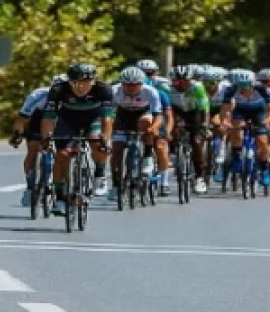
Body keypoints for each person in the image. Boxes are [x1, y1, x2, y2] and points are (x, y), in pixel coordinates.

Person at [40, 63, 114, 215]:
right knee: (62, 155)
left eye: (85, 83)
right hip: (67, 121)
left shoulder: (104, 89)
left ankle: (100, 173)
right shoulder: (58, 90)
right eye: (76, 83)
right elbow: (49, 117)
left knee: (98, 143)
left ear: (93, 81)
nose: (80, 87)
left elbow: (107, 118)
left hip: (93, 120)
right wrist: (46, 138)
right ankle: (60, 198)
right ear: (69, 81)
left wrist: (105, 138)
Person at [108, 67, 163, 201]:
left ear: (141, 83)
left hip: (143, 113)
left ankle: (148, 156)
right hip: (123, 116)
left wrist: (154, 128)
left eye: (135, 85)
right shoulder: (113, 91)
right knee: (116, 150)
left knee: (147, 125)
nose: (131, 88)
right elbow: (108, 116)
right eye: (127, 85)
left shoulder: (150, 92)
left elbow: (158, 116)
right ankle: (116, 185)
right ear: (122, 83)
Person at [10, 75, 66, 206]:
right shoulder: (38, 95)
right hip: (39, 117)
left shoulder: (72, 97)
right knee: (33, 147)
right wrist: (17, 134)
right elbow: (22, 117)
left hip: (63, 119)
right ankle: (30, 187)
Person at [218, 69, 270, 187]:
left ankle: (265, 170)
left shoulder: (262, 89)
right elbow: (224, 109)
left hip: (259, 112)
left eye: (246, 85)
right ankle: (236, 160)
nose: (244, 88)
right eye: (241, 85)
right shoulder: (231, 90)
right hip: (240, 111)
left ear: (252, 83)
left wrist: (267, 121)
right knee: (236, 133)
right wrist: (224, 121)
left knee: (262, 141)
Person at [166, 65, 211, 194]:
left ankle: (200, 177)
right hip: (176, 110)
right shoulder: (167, 88)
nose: (180, 84)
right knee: (170, 129)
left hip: (194, 112)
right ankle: (173, 154)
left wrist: (204, 125)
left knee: (196, 141)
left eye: (184, 81)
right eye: (177, 81)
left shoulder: (197, 87)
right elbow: (166, 110)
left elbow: (204, 109)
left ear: (190, 80)